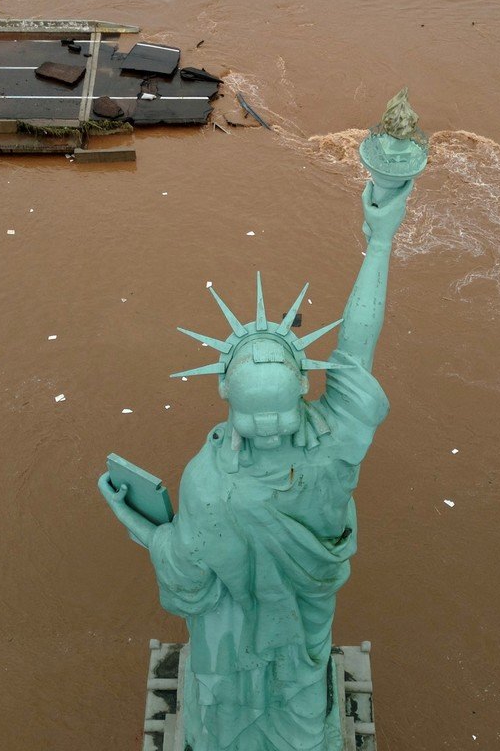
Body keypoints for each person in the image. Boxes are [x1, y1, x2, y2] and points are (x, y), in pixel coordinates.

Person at [99, 179, 412, 751]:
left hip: (230, 642)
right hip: (299, 631)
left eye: (274, 415)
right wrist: (380, 243)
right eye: (257, 416)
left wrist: (140, 525)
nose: (268, 429)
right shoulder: (331, 443)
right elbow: (355, 353)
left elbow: (186, 574)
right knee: (298, 690)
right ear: (302, 380)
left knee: (226, 692)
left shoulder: (209, 480)